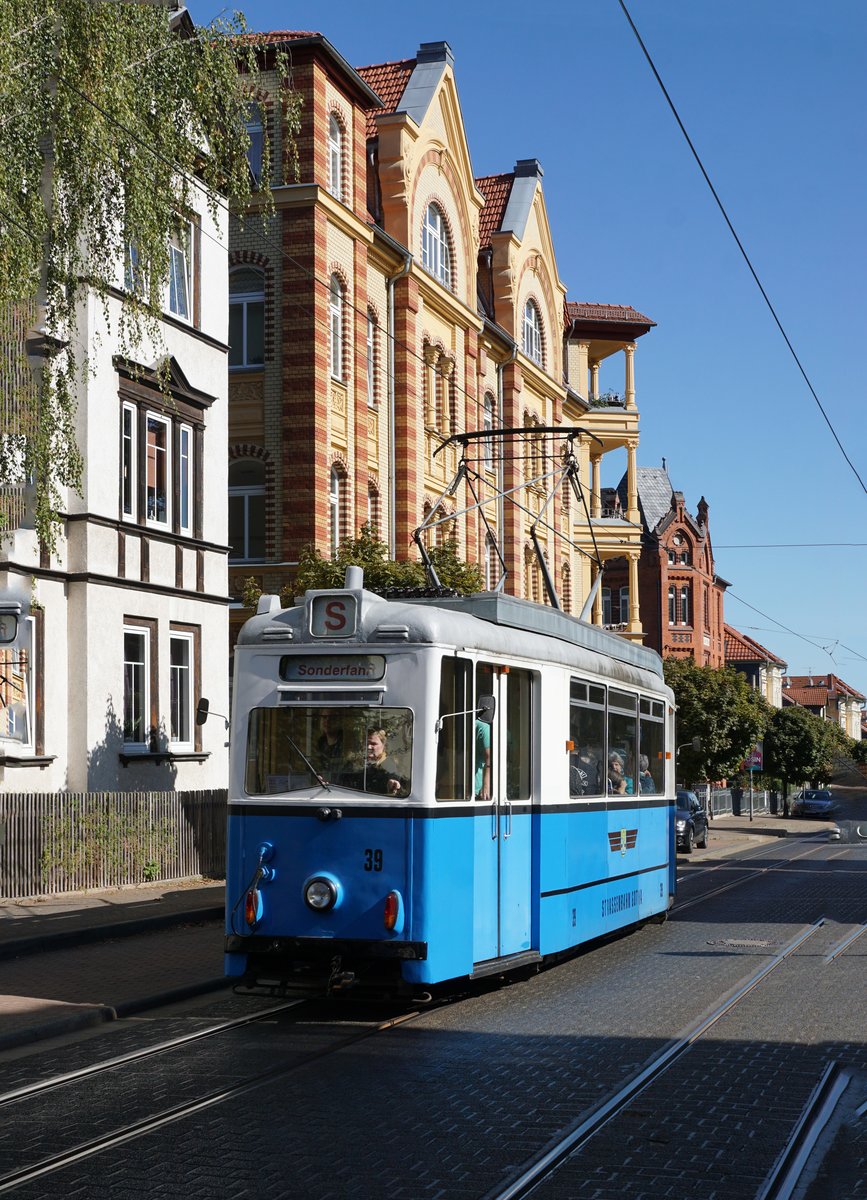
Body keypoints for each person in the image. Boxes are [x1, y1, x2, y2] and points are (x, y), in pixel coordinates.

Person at [362, 728, 406, 796]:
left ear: (384, 746)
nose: (368, 747)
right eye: (366, 743)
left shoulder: (390, 766)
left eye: (373, 744)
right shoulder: (364, 764)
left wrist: (395, 787)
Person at [315, 709, 345, 778]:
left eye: (332, 718)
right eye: (324, 717)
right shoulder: (320, 743)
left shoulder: (346, 742)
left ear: (339, 721)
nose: (327, 721)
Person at [475, 718, 491, 801]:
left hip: (479, 791)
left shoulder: (483, 727)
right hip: (476, 789)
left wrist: (486, 784)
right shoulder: (483, 727)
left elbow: (489, 756)